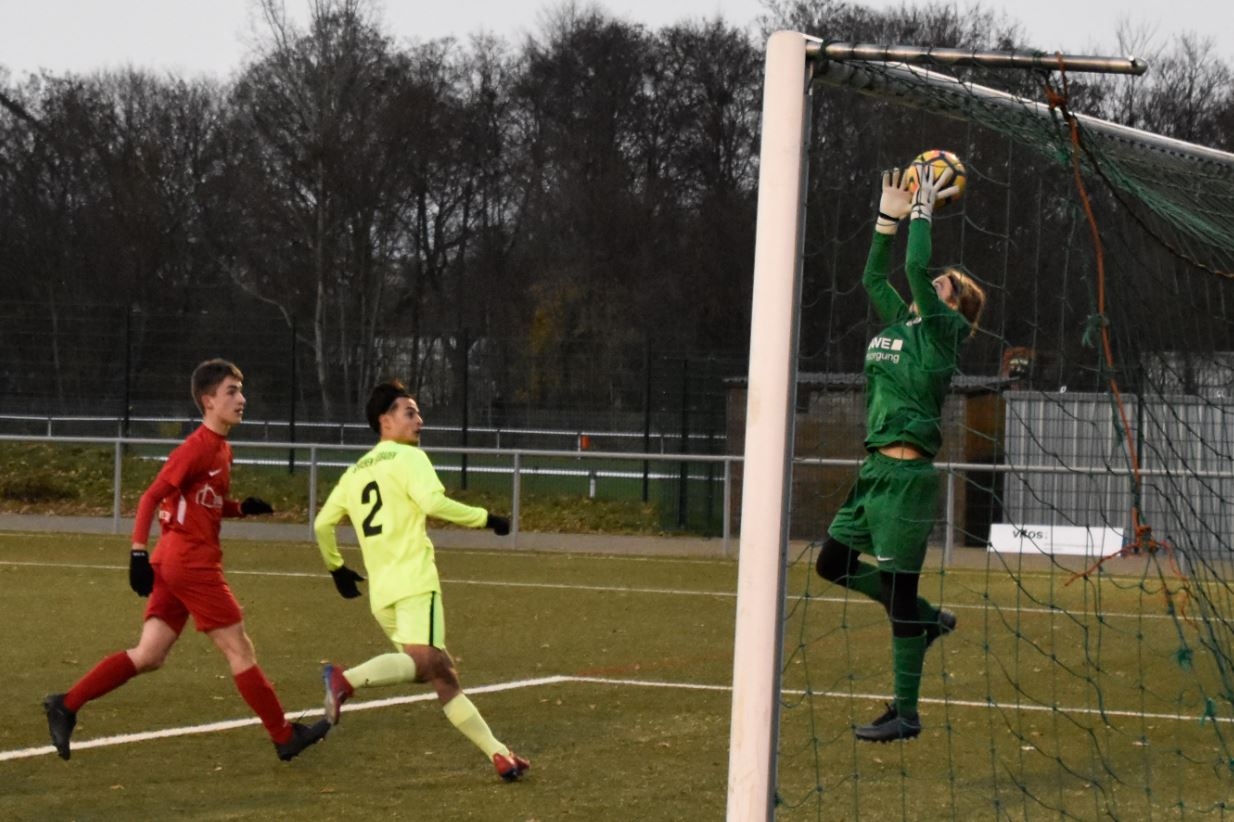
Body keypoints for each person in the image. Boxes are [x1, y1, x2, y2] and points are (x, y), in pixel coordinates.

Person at [42, 359, 331, 762]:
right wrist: (137, 551)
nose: (242, 399)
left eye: (241, 391)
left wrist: (241, 508)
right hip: (191, 564)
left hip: (175, 563)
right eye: (232, 391)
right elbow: (151, 496)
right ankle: (284, 737)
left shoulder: (222, 448)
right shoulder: (196, 448)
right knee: (239, 650)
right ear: (208, 400)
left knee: (149, 654)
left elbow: (204, 505)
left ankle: (66, 704)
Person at [814, 163, 986, 743]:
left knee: (900, 598)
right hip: (874, 473)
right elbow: (872, 276)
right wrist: (886, 221)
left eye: (945, 286)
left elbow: (913, 267)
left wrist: (922, 212)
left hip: (907, 481)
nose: (933, 283)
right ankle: (923, 616)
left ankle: (906, 714)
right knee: (831, 565)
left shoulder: (941, 334)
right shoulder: (904, 324)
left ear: (956, 310)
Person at [313, 379, 529, 781]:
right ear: (386, 421)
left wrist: (336, 567)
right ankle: (345, 679)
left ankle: (500, 754)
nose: (420, 420)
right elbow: (433, 502)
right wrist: (487, 518)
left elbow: (322, 524)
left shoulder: (354, 472)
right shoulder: (410, 458)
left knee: (440, 672)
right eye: (410, 413)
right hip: (414, 581)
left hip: (382, 593)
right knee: (427, 662)